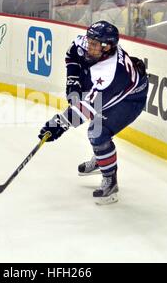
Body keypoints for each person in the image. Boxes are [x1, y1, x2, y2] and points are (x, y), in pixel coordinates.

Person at [38, 21, 149, 205]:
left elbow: (86, 108)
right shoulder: (91, 44)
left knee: (97, 132)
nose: (89, 46)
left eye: (95, 45)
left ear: (108, 47)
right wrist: (73, 78)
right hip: (109, 87)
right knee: (86, 112)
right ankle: (101, 158)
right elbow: (72, 52)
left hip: (130, 99)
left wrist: (59, 124)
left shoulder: (109, 73)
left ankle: (110, 181)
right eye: (90, 41)